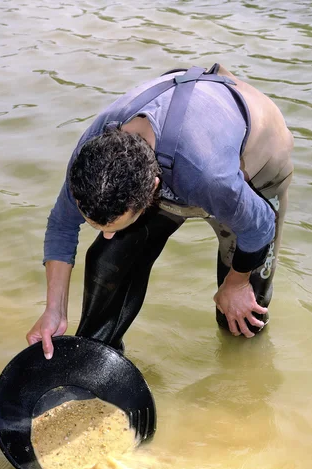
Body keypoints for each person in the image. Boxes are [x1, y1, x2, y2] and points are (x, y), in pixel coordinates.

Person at [26, 62, 294, 359]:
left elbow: (260, 227)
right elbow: (62, 225)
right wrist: (54, 309)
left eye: (113, 225)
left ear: (153, 190)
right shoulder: (91, 157)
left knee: (241, 315)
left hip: (256, 169)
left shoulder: (207, 176)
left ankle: (243, 379)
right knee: (107, 260)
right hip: (178, 144)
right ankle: (97, 363)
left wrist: (237, 282)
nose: (108, 234)